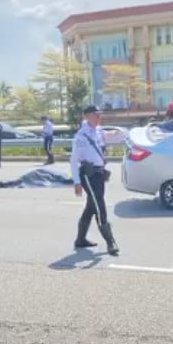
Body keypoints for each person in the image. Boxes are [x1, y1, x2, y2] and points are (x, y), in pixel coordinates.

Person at [70, 105, 119, 256]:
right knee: (99, 206)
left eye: (99, 114)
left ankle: (80, 239)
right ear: (87, 116)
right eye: (95, 115)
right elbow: (73, 161)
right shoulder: (81, 136)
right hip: (88, 175)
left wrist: (119, 132)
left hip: (99, 173)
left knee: (91, 206)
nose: (99, 117)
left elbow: (117, 136)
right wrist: (77, 182)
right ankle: (110, 242)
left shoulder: (98, 131)